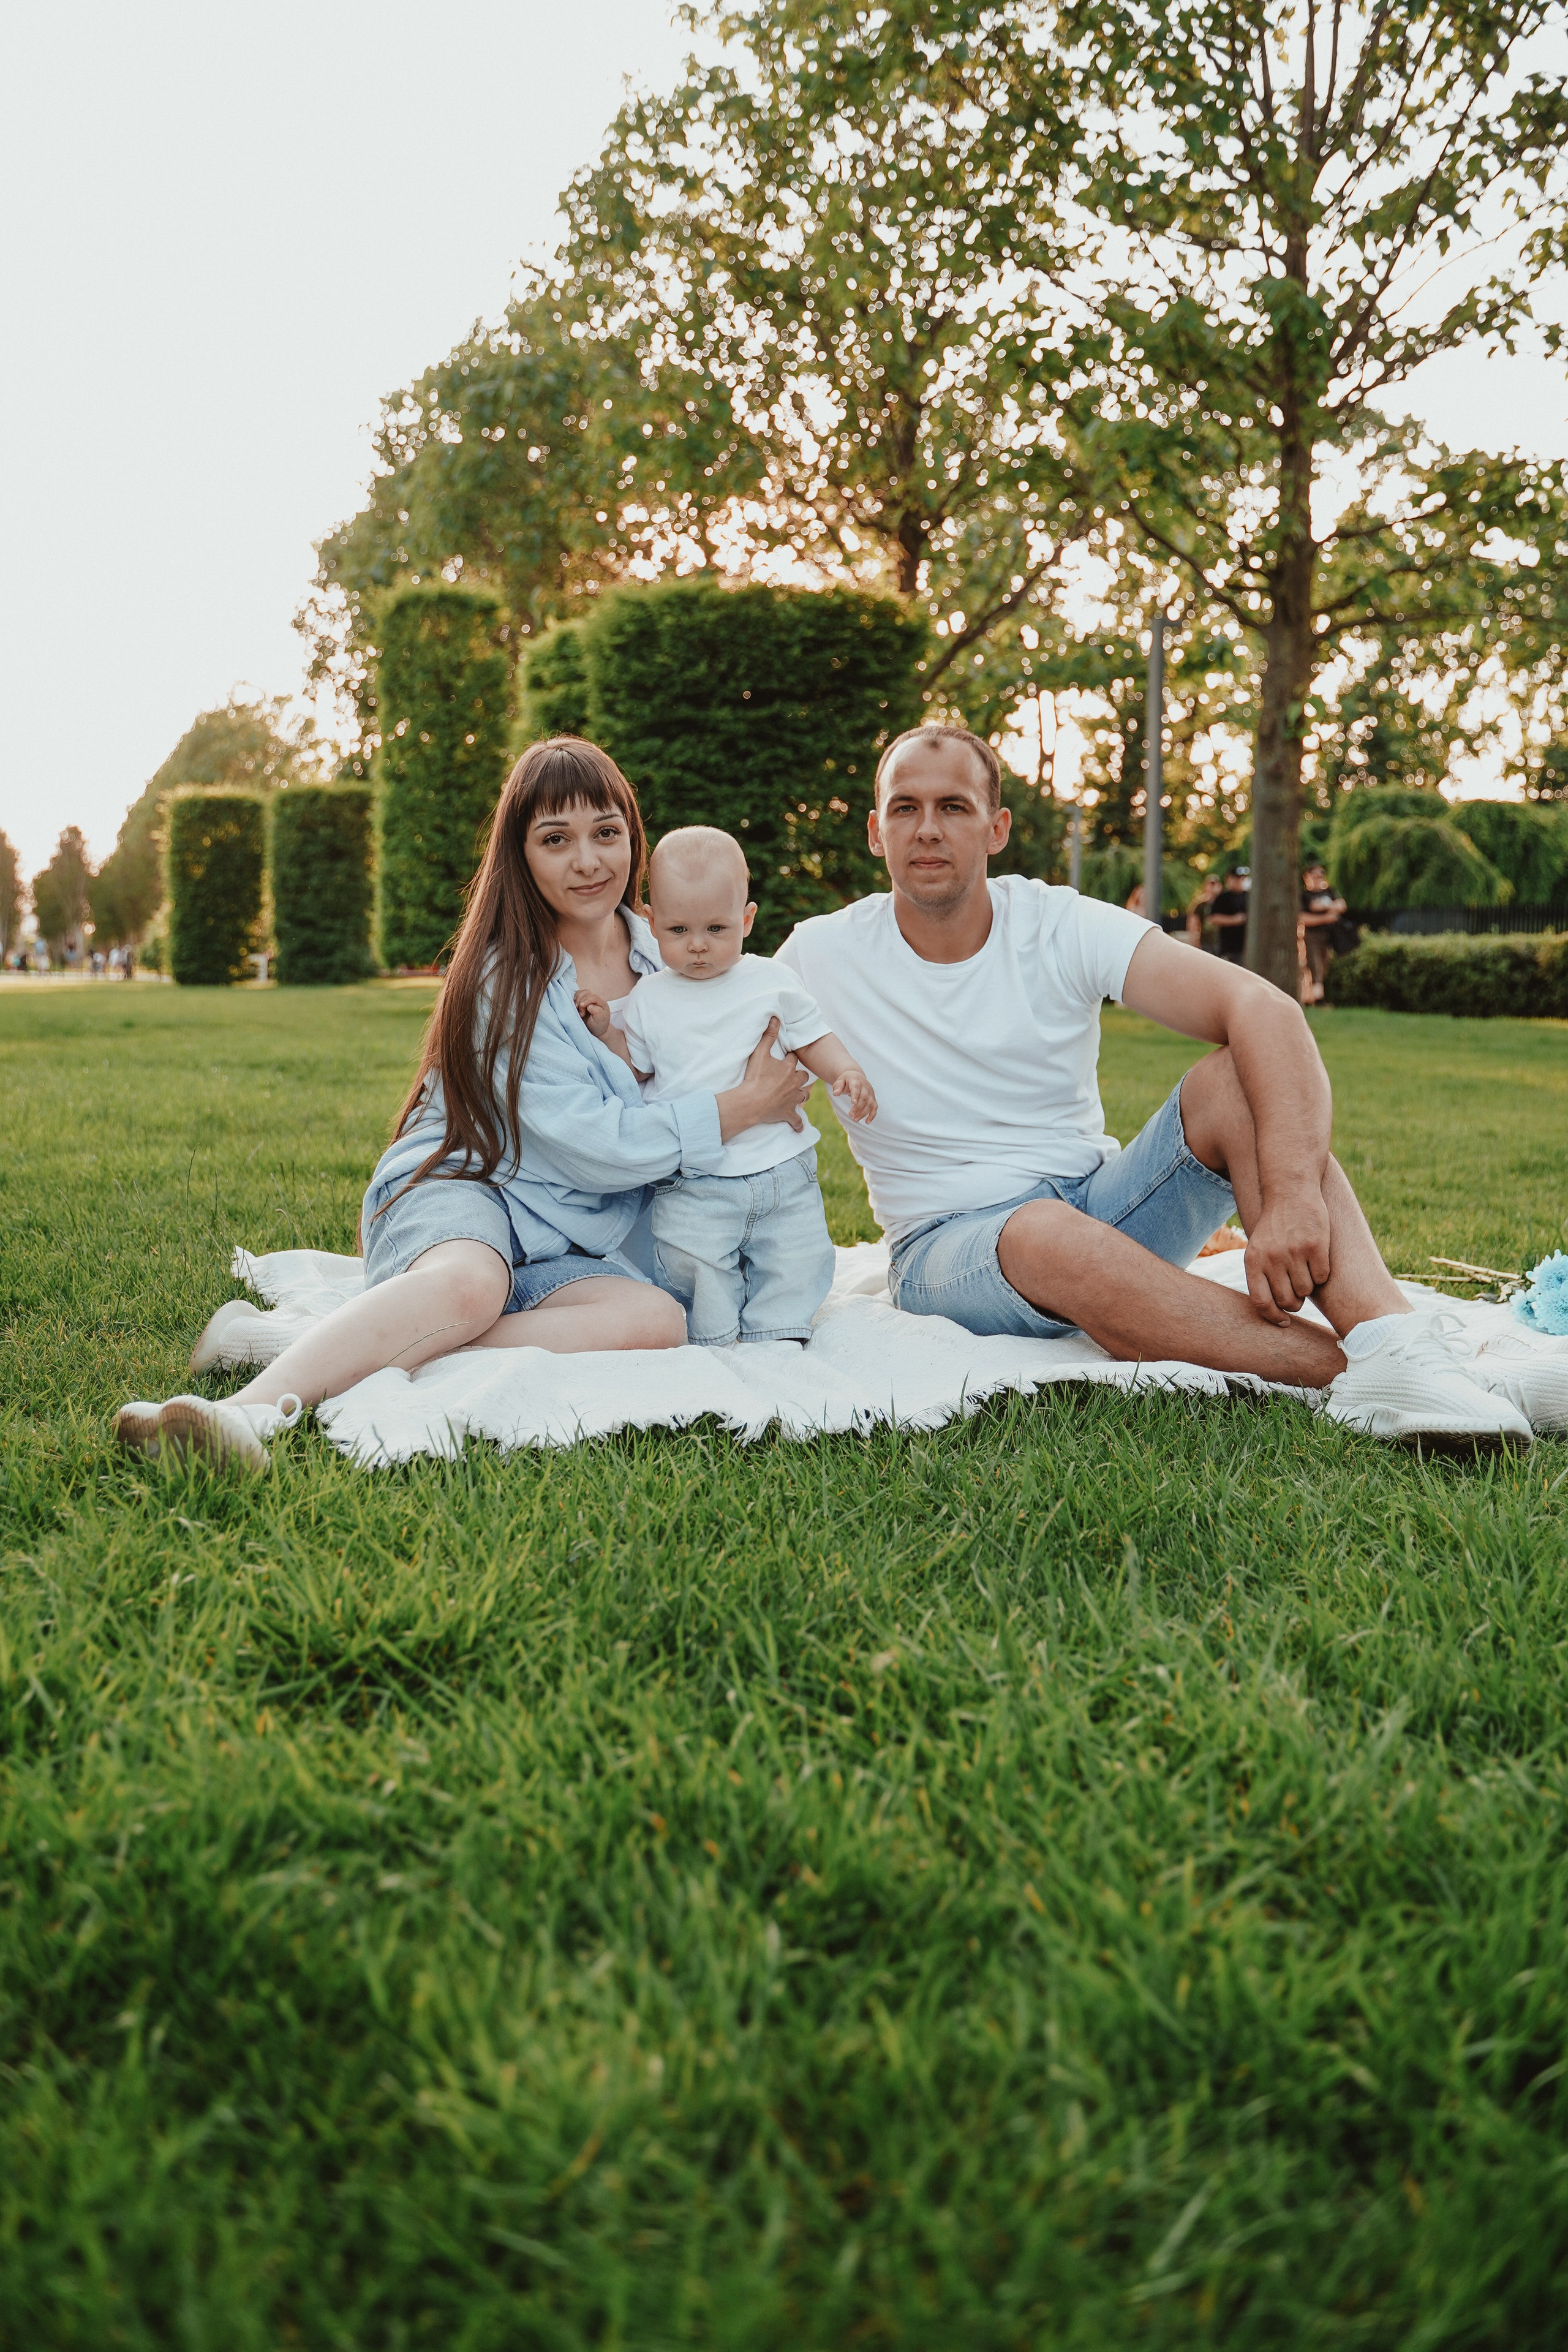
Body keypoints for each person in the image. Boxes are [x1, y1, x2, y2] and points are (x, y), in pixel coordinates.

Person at [775, 721, 1562, 1446]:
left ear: (996, 827)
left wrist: (1289, 1197)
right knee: (1045, 1231)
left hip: (1098, 1202)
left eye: (953, 805)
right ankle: (1405, 1378)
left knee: (1235, 1082)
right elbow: (705, 1056)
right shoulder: (816, 955)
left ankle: (1393, 1338)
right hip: (947, 1249)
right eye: (904, 808)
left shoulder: (1055, 922)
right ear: (876, 829)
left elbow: (1261, 1006)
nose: (928, 828)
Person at [112, 738, 813, 1471]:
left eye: (606, 833)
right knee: (472, 1287)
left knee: (658, 1321)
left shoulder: (676, 949)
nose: (587, 860)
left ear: (633, 838)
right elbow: (595, 1144)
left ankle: (320, 1337)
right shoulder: (503, 978)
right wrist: (736, 1109)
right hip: (464, 1186)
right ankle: (243, 1415)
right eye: (555, 839)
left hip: (570, 1232)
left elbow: (753, 1049)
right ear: (521, 854)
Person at [578, 825, 876, 1344]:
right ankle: (714, 1340)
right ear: (652, 923)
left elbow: (813, 1036)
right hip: (697, 1179)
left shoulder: (770, 981)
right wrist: (608, 1034)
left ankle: (778, 1333)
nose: (697, 947)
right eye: (678, 931)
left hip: (781, 1168)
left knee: (796, 1255)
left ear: (746, 919)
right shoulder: (650, 998)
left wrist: (845, 1070)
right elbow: (640, 1069)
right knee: (695, 1259)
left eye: (716, 929)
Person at [1300, 862, 1348, 1003]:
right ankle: (1318, 999)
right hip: (1311, 935)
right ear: (1307, 877)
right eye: (1315, 876)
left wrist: (1324, 908)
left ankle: (1310, 997)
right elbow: (1303, 918)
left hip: (1328, 935)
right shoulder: (1304, 895)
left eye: (1321, 876)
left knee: (1324, 964)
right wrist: (1326, 917)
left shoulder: (1330, 891)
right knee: (1314, 965)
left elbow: (1341, 905)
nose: (1319, 879)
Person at [1209, 865, 1250, 962]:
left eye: (1242, 878)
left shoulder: (1249, 896)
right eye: (1237, 879)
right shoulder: (1223, 898)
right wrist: (1234, 920)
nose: (1240, 881)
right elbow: (1213, 918)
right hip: (1230, 948)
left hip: (1248, 947)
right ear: (1229, 879)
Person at [1186, 873, 1223, 952]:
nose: (1213, 887)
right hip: (1206, 941)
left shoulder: (1224, 903)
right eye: (1211, 884)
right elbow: (1193, 922)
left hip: (1221, 941)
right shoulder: (1200, 904)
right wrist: (1194, 940)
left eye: (1215, 884)